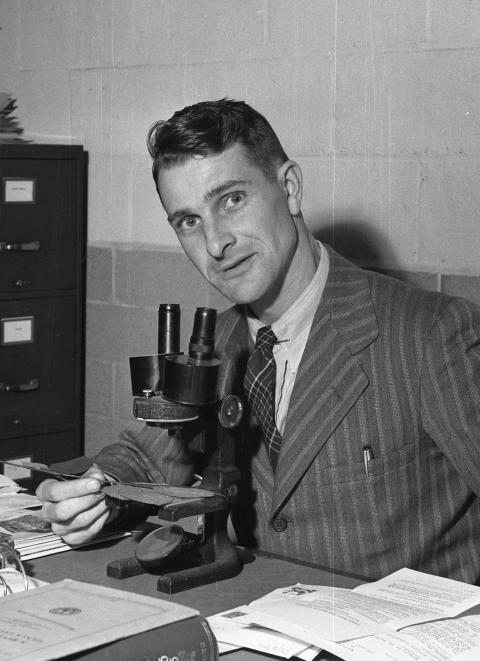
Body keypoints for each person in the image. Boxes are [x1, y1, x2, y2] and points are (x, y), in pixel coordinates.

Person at [36, 99, 480, 584]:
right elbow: (151, 454)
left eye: (231, 200)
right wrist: (94, 492)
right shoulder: (222, 338)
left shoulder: (428, 334)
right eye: (188, 220)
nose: (214, 244)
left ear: (289, 189)